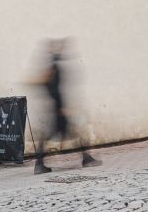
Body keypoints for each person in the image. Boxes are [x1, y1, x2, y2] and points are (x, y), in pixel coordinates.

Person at [34, 39, 100, 174]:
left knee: (60, 134)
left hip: (56, 109)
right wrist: (60, 107)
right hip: (58, 110)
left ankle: (40, 164)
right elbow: (53, 88)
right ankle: (86, 159)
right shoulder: (54, 66)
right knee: (73, 132)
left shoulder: (51, 65)